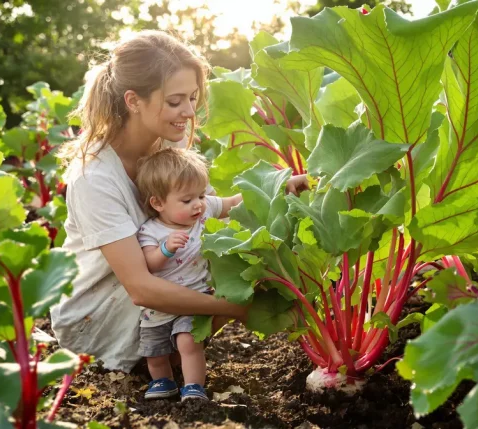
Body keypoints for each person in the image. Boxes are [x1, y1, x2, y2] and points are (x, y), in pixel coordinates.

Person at [51, 30, 307, 374]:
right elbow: (141, 288)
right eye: (175, 101)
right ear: (133, 100)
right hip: (97, 320)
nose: (188, 112)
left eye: (192, 98)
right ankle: (159, 357)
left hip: (158, 293)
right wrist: (237, 309)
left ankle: (173, 352)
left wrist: (280, 189)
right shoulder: (94, 177)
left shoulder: (169, 145)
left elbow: (208, 210)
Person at [134, 148, 243, 401]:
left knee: (188, 342)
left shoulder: (203, 214)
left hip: (194, 299)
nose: (198, 204)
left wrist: (279, 184)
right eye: (187, 200)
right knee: (155, 352)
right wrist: (166, 249)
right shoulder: (151, 232)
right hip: (158, 308)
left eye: (202, 195)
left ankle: (194, 386)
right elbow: (150, 264)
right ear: (158, 203)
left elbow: (232, 203)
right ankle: (164, 381)